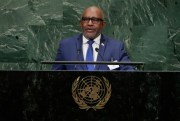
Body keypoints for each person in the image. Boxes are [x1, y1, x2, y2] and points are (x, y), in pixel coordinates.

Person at [52, 6, 134, 70]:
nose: (90, 23)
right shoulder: (66, 46)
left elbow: (130, 74)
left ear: (103, 24)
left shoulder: (116, 47)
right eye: (86, 19)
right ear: (81, 23)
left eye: (95, 20)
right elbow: (54, 77)